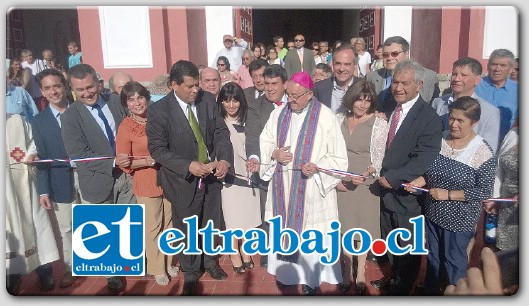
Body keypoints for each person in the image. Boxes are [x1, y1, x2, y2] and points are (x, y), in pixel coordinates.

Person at [146, 60, 233, 296]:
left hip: (212, 176)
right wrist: (188, 165)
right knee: (187, 229)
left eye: (198, 85)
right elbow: (157, 149)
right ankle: (192, 273)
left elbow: (221, 132)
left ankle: (211, 262)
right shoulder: (159, 110)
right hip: (183, 181)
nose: (196, 90)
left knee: (211, 222)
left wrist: (224, 159)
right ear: (174, 85)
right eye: (190, 86)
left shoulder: (206, 101)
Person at [259, 71, 348, 295]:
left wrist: (317, 166)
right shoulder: (279, 113)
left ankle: (311, 279)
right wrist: (275, 153)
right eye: (289, 94)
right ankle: (287, 273)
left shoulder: (327, 117)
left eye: (296, 96)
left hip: (311, 189)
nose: (291, 100)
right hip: (284, 186)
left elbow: (338, 157)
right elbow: (266, 140)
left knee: (310, 235)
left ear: (310, 94)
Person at [405, 96, 496, 295]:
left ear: (474, 123)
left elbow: (484, 191)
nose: (454, 124)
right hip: (433, 214)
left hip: (459, 220)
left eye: (460, 121)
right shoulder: (440, 139)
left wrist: (448, 194)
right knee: (433, 258)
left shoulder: (482, 152)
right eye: (452, 119)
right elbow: (428, 170)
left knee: (454, 262)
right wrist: (420, 181)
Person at [370, 60, 443, 295]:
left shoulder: (428, 117)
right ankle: (393, 278)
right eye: (395, 82)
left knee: (407, 247)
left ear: (419, 85)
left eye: (405, 83)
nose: (398, 87)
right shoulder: (391, 106)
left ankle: (403, 289)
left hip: (406, 195)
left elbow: (425, 157)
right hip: (385, 192)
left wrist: (394, 177)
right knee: (390, 241)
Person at [61, 64, 135, 293]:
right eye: (80, 90)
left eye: (90, 87)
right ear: (73, 90)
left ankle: (126, 261)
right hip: (96, 179)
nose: (86, 93)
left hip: (126, 176)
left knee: (125, 221)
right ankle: (111, 274)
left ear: (99, 83)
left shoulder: (115, 102)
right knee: (101, 227)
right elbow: (78, 155)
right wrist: (112, 162)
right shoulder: (71, 116)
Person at [115, 81, 179, 286]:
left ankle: (169, 262)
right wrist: (147, 161)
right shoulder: (126, 127)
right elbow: (124, 162)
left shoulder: (158, 117)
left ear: (147, 98)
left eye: (140, 97)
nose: (137, 102)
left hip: (167, 178)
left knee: (169, 223)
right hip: (146, 181)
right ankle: (157, 268)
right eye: (131, 99)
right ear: (126, 104)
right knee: (152, 227)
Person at [335, 79, 388, 295]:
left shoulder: (378, 123)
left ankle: (361, 272)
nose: (362, 105)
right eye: (359, 99)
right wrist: (337, 179)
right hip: (342, 180)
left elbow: (379, 159)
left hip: (365, 182)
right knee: (345, 226)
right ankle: (347, 267)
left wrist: (366, 174)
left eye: (367, 101)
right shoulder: (338, 118)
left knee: (363, 227)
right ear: (351, 98)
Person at [31, 69, 80, 289]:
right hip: (60, 181)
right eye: (48, 88)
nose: (54, 91)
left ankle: (107, 268)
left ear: (65, 86)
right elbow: (42, 158)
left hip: (88, 178)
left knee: (97, 217)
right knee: (67, 228)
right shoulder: (39, 121)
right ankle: (71, 266)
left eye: (57, 86)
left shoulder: (82, 111)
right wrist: (43, 190)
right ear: (42, 92)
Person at [6, 113, 60, 294]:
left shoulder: (17, 120)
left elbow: (33, 142)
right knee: (9, 231)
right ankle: (11, 275)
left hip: (25, 183)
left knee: (37, 226)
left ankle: (44, 271)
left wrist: (31, 154)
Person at [245, 64, 288, 268]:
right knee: (266, 211)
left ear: (284, 84)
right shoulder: (255, 106)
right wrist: (254, 157)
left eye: (274, 84)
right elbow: (252, 136)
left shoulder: (295, 103)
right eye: (267, 83)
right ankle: (268, 248)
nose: (269, 88)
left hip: (291, 168)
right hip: (266, 167)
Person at [216, 82, 261, 274]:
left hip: (250, 175)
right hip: (231, 177)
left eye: (235, 100)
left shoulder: (249, 119)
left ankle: (244, 249)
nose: (231, 105)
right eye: (226, 101)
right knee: (233, 218)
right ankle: (234, 251)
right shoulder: (218, 122)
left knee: (247, 217)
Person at [431, 57, 501, 153]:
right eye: (454, 74)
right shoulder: (438, 103)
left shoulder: (490, 112)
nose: (456, 79)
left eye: (463, 75)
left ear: (477, 80)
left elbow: (489, 149)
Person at [366, 36, 440, 112]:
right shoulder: (371, 77)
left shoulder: (427, 77)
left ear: (407, 53)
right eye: (385, 55)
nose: (389, 58)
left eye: (395, 54)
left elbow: (432, 108)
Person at [482, 124, 519, 252]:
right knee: (502, 255)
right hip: (505, 208)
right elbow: (498, 167)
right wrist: (494, 198)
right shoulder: (513, 134)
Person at [474, 49, 518, 143]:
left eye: (502, 65)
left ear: (510, 69)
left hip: (505, 143)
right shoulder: (475, 85)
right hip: (477, 142)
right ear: (488, 66)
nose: (497, 69)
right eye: (494, 64)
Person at [313, 44, 361, 113]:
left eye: (347, 64)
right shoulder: (319, 88)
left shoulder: (365, 87)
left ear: (355, 65)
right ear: (332, 64)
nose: (341, 69)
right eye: (338, 64)